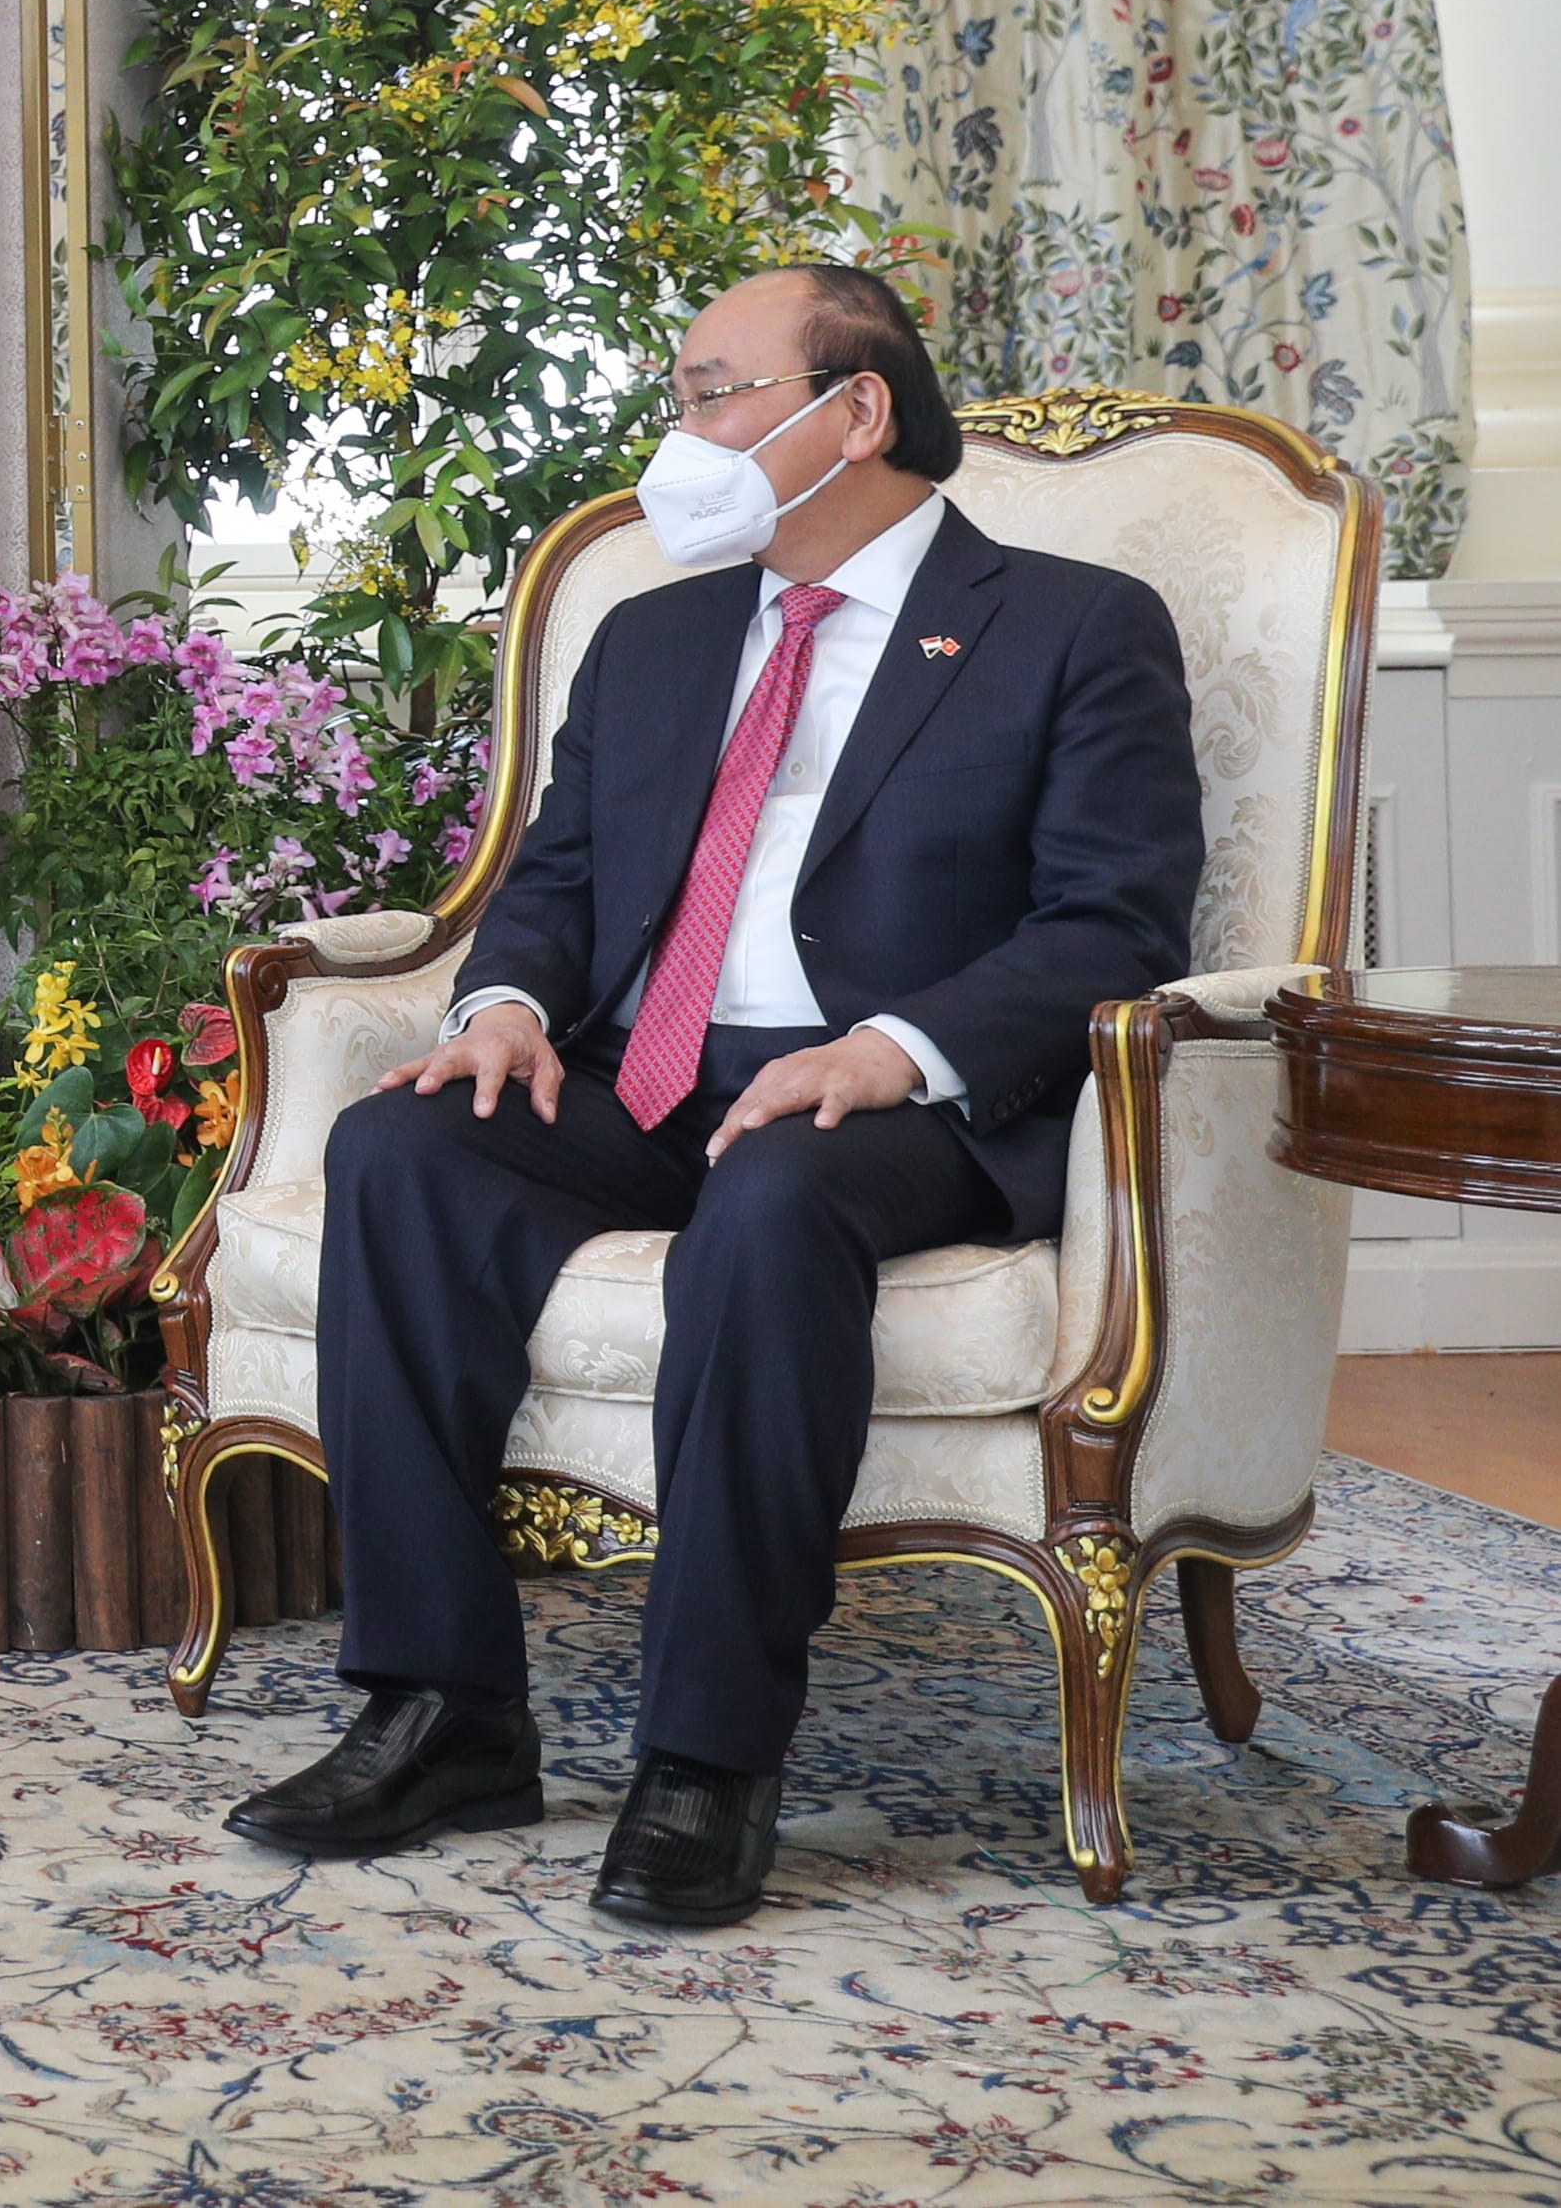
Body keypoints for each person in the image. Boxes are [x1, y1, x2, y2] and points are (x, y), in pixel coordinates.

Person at [226, 262, 1200, 1927]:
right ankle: (444, 1710)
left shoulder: (1071, 626)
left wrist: (894, 1049)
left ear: (857, 410)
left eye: (710, 394)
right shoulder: (655, 634)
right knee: (401, 1151)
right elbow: (557, 875)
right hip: (651, 1072)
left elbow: (1115, 922)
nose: (679, 435)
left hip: (898, 1102)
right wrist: (507, 1006)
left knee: (776, 1198)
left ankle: (706, 1757)